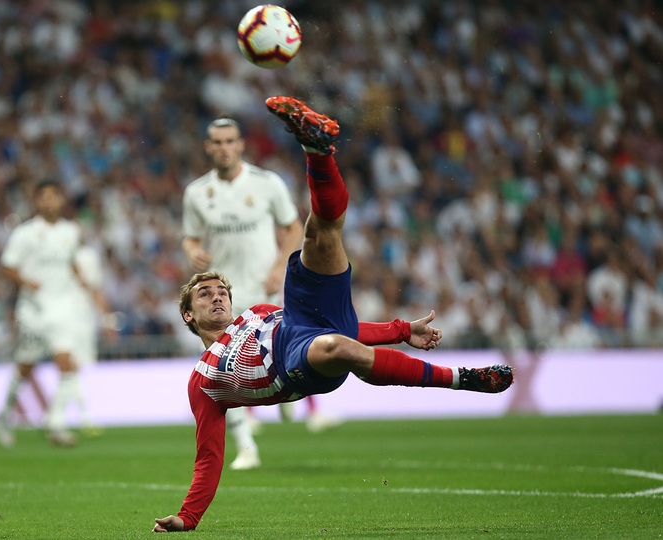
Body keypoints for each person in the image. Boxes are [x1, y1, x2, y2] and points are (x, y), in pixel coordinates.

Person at [153, 98, 513, 533]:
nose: (217, 297)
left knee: (318, 233)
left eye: (220, 291)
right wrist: (188, 517)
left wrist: (399, 330)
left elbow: (337, 325)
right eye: (204, 294)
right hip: (295, 366)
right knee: (338, 346)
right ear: (189, 318)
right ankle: (464, 379)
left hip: (301, 324)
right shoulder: (203, 383)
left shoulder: (258, 313)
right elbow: (208, 457)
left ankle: (317, 150)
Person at [181, 114, 334, 470]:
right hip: (221, 297)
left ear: (240, 145)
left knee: (282, 361)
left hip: (266, 291)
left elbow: (294, 227)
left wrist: (281, 265)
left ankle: (291, 403)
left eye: (229, 141)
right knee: (220, 373)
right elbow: (189, 235)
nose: (223, 148)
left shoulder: (267, 183)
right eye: (217, 142)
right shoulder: (196, 192)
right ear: (208, 147)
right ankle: (246, 447)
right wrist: (191, 251)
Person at [0, 179, 108, 447]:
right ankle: (4, 415)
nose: (49, 202)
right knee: (26, 365)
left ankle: (56, 425)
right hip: (33, 310)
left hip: (63, 307)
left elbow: (70, 261)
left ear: (61, 200)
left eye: (53, 196)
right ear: (36, 201)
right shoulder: (25, 233)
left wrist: (81, 279)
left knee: (67, 363)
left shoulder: (71, 230)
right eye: (43, 197)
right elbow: (7, 266)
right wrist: (27, 282)